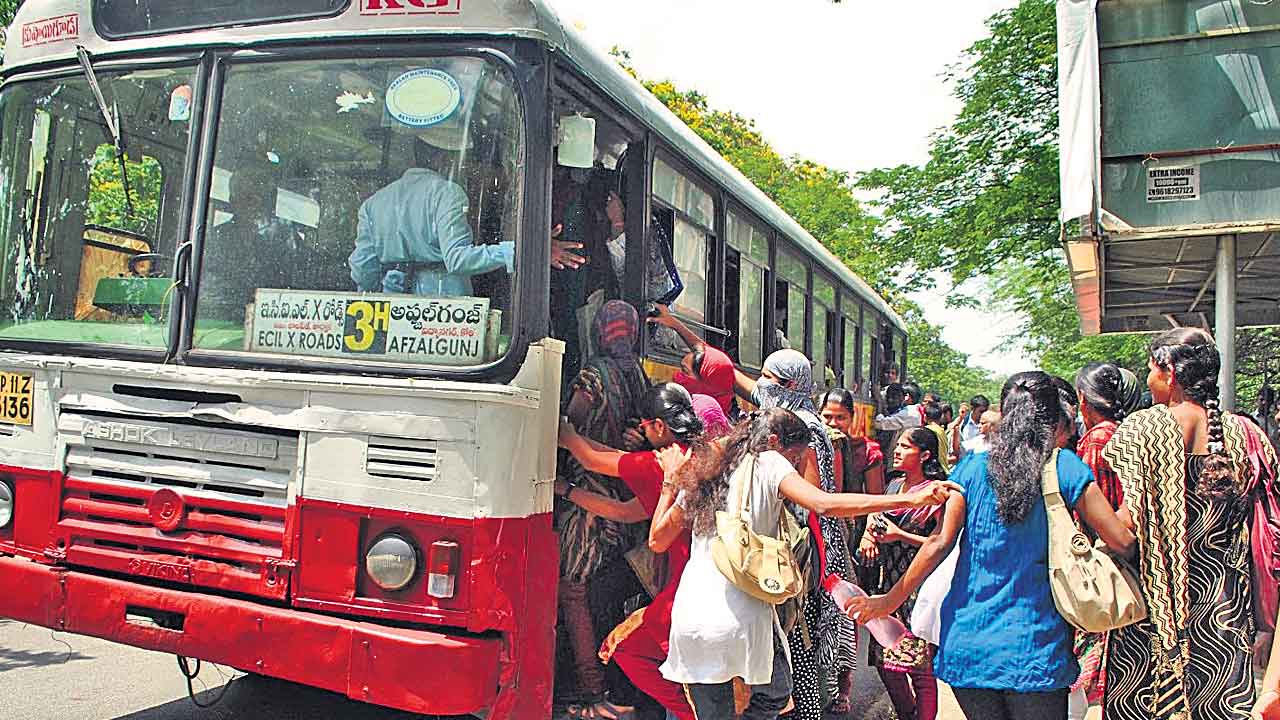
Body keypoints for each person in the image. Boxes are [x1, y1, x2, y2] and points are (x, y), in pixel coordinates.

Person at [848, 371, 1135, 720]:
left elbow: (939, 542)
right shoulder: (1063, 467)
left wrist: (887, 602)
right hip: (1035, 648)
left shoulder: (971, 467)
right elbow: (1121, 539)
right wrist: (1137, 502)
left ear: (1004, 411)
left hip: (969, 644)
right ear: (1052, 415)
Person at [650, 408, 960, 720]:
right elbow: (823, 503)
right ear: (774, 441)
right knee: (776, 694)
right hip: (739, 618)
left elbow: (657, 540)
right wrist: (909, 500)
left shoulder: (710, 468)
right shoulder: (768, 460)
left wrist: (668, 484)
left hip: (691, 617)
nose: (796, 465)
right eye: (796, 456)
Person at [1102, 328, 1278, 720]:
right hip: (1226, 606)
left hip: (1153, 608)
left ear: (1169, 372)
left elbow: (1126, 525)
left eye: (1150, 369)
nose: (1148, 380)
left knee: (1146, 706)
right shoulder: (1247, 433)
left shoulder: (1144, 430)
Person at [730, 350, 857, 719]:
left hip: (803, 553)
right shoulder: (794, 416)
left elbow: (813, 502)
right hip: (798, 548)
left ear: (786, 384)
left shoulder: (801, 428)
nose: (760, 384)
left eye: (767, 377)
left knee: (800, 643)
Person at [553, 301, 651, 719]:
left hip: (586, 503)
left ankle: (591, 690)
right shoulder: (639, 374)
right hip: (623, 499)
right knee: (606, 598)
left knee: (574, 593)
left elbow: (567, 428)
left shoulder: (593, 373)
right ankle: (611, 680)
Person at [349, 133, 585, 297]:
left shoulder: (374, 203)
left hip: (391, 306)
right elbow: (458, 259)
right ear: (445, 158)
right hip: (441, 311)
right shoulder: (447, 192)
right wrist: (525, 250)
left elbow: (362, 270)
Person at [1067, 363, 1145, 720]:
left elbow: (1098, 510)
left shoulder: (1099, 439)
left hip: (1102, 560)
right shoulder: (1121, 433)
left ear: (1084, 398)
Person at [858, 428, 950, 720]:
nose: (896, 451)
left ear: (925, 455)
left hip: (919, 589)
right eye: (896, 445)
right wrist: (869, 536)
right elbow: (876, 516)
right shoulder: (894, 486)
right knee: (886, 663)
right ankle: (907, 714)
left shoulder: (936, 491)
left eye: (905, 447)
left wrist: (900, 535)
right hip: (888, 585)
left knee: (920, 669)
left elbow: (942, 544)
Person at [822, 388, 886, 573]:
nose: (833, 423)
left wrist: (869, 535)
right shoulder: (810, 448)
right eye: (827, 416)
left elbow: (877, 500)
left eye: (840, 417)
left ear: (851, 417)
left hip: (855, 530)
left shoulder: (866, 451)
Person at [648, 304, 737, 416]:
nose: (676, 376)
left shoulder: (700, 424)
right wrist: (675, 324)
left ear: (707, 382)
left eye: (685, 372)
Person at [948, 395, 990, 462]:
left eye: (985, 411)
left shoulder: (989, 425)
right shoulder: (962, 424)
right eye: (981, 411)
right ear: (972, 408)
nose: (983, 414)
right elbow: (956, 450)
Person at [922, 402, 952, 473]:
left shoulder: (927, 430)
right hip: (944, 469)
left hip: (934, 471)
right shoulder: (942, 430)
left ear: (925, 416)